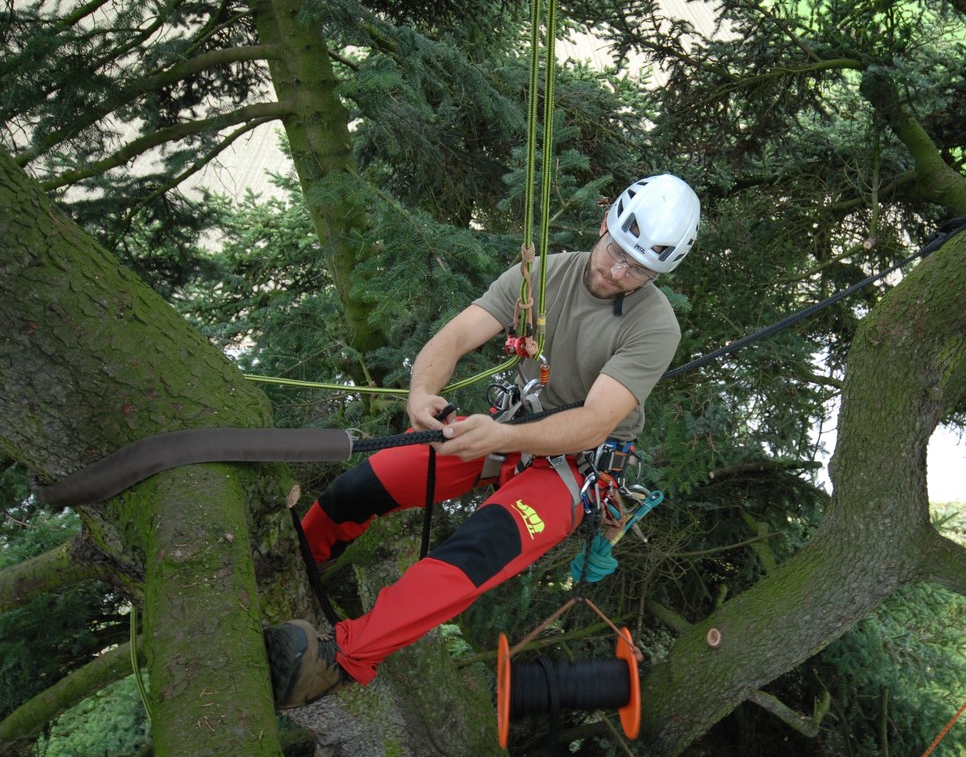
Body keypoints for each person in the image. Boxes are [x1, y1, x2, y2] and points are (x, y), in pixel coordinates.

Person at [264, 173, 700, 710]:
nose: (617, 271)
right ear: (604, 223)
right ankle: (290, 556)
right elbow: (455, 336)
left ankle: (337, 663)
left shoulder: (656, 325)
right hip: (508, 430)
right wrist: (423, 392)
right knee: (363, 485)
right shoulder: (542, 274)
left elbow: (592, 423)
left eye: (638, 268)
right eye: (615, 251)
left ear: (658, 273)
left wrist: (501, 434)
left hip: (573, 467)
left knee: (477, 547)